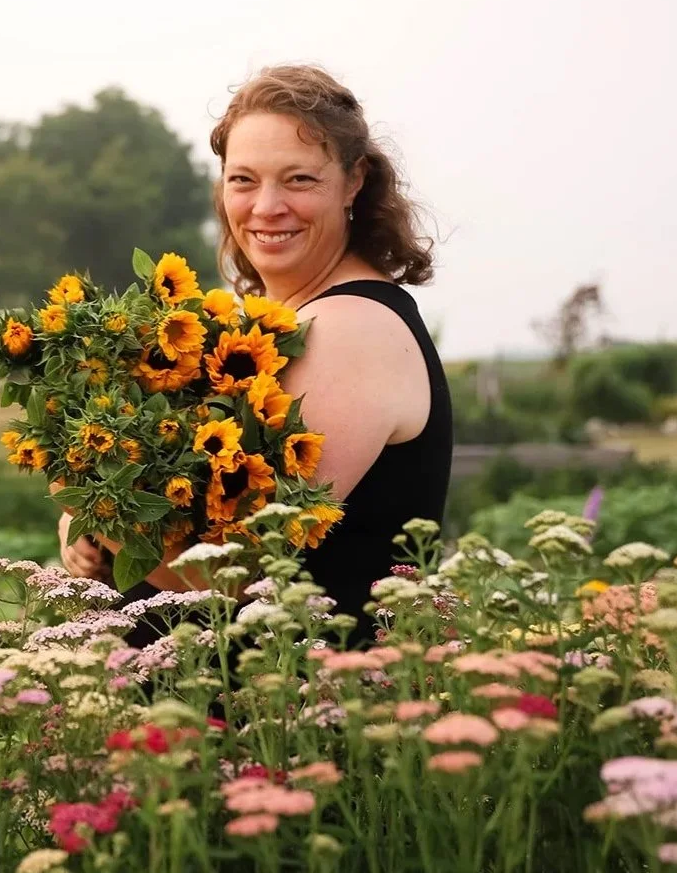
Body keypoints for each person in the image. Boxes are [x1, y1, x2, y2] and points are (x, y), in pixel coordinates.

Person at [59, 64, 453, 643]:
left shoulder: (349, 329)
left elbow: (233, 575)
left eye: (298, 180)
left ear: (354, 182)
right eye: (243, 180)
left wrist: (86, 497)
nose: (266, 207)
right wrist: (87, 523)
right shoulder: (266, 323)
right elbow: (180, 520)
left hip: (292, 711)